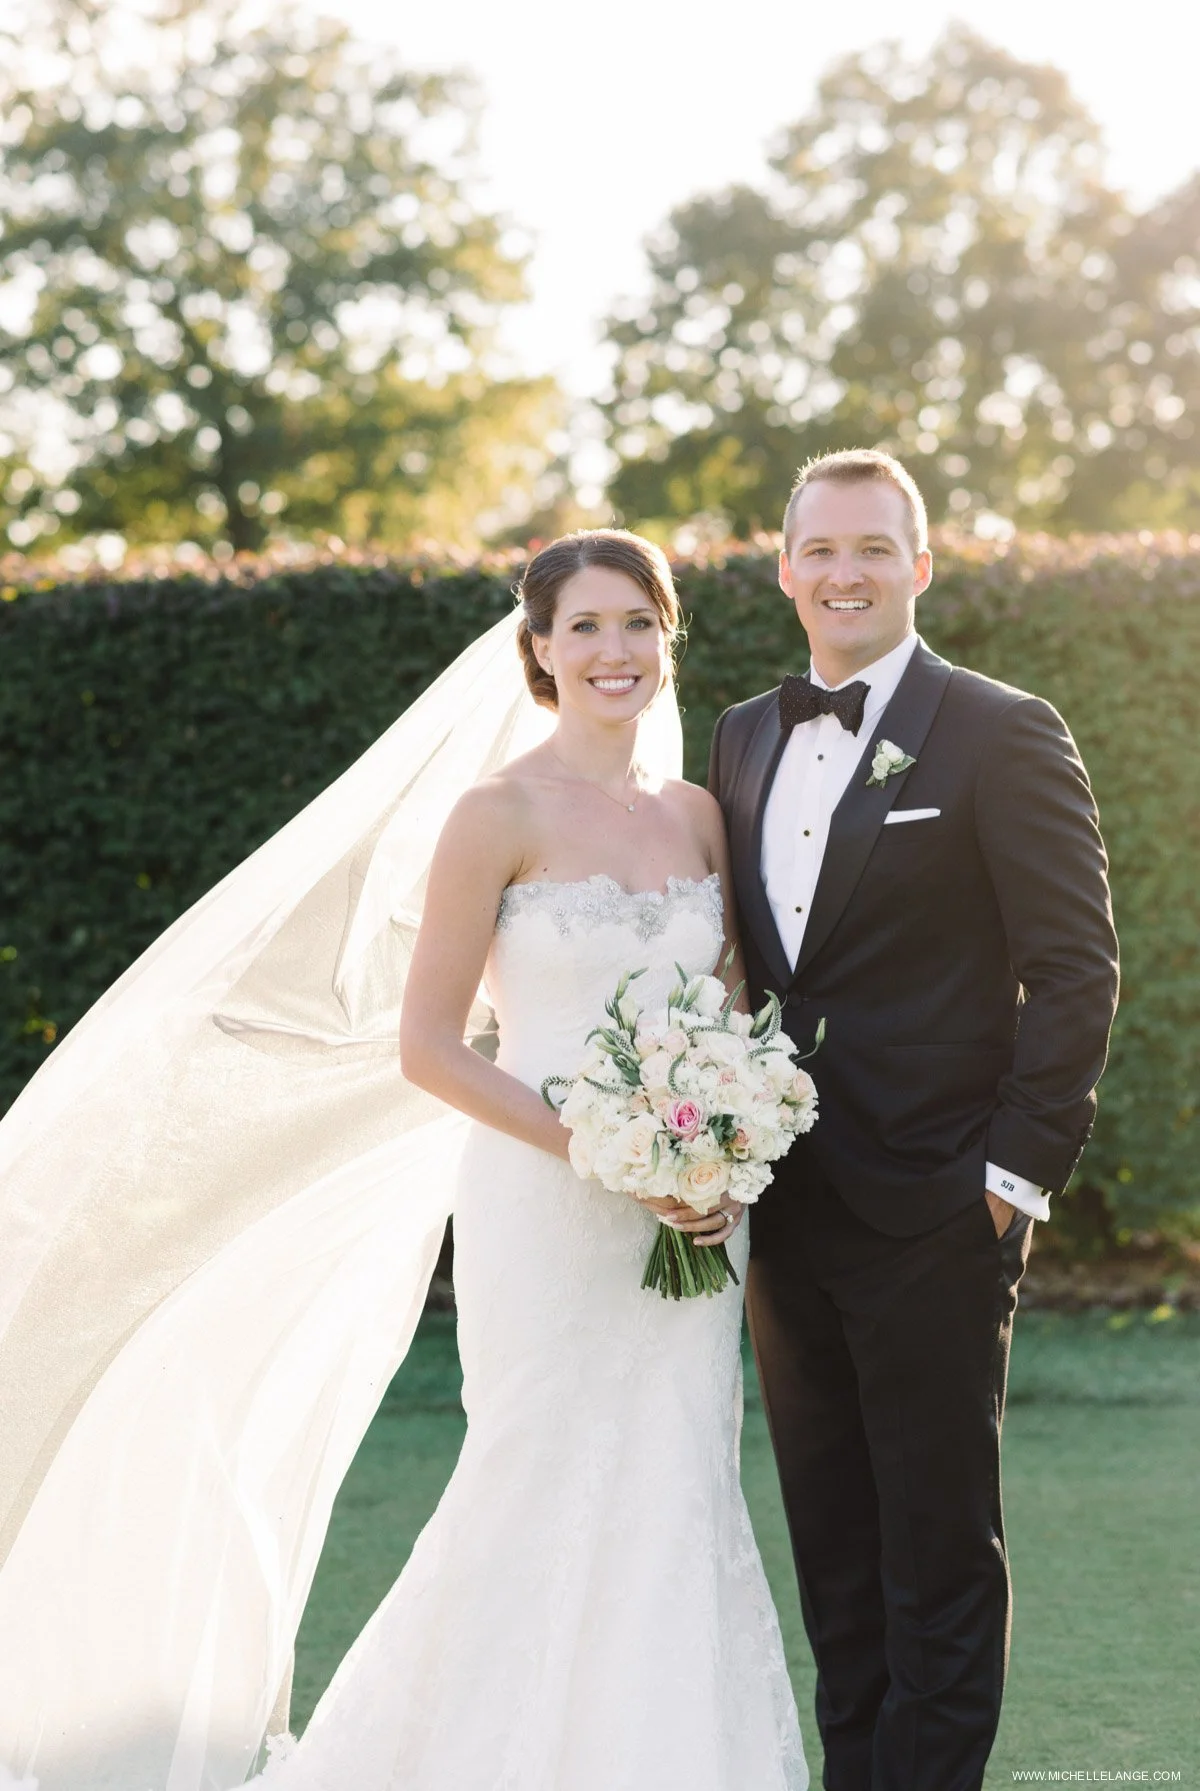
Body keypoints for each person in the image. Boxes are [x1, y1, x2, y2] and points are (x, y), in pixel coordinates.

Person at [0, 531, 806, 1791]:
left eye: (637, 624)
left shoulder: (701, 815)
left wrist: (723, 1157)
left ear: (669, 641)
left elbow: (735, 1013)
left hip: (692, 1211)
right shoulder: (492, 815)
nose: (614, 651)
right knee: (535, 1467)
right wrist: (606, 1151)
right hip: (546, 1204)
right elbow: (428, 1047)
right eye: (583, 627)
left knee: (676, 1481)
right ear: (536, 651)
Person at [708, 449, 1119, 1791]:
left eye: (875, 547)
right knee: (834, 1548)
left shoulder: (1004, 728)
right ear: (784, 567)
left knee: (938, 1554)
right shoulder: (742, 735)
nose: (846, 572)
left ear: (920, 564)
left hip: (942, 1207)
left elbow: (1076, 962)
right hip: (785, 1210)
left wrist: (1012, 1172)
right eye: (821, 548)